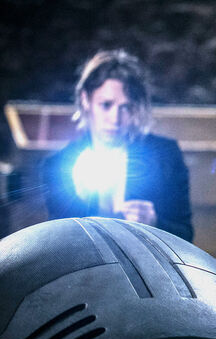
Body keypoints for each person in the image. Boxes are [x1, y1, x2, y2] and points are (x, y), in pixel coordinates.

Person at [41, 49, 194, 241]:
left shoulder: (165, 156)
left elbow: (185, 235)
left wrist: (154, 223)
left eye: (126, 107)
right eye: (106, 105)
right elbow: (59, 242)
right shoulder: (58, 165)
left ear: (137, 107)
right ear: (85, 99)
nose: (115, 119)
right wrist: (79, 203)